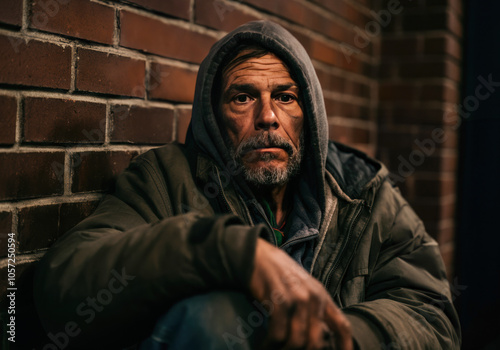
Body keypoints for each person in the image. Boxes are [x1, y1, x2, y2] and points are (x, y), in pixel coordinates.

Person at [34, 20, 460, 349]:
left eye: (285, 97)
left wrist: (339, 336)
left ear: (308, 115)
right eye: (243, 97)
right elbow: (62, 291)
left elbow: (433, 315)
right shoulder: (167, 179)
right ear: (214, 118)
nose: (268, 117)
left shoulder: (364, 192)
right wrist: (227, 252)